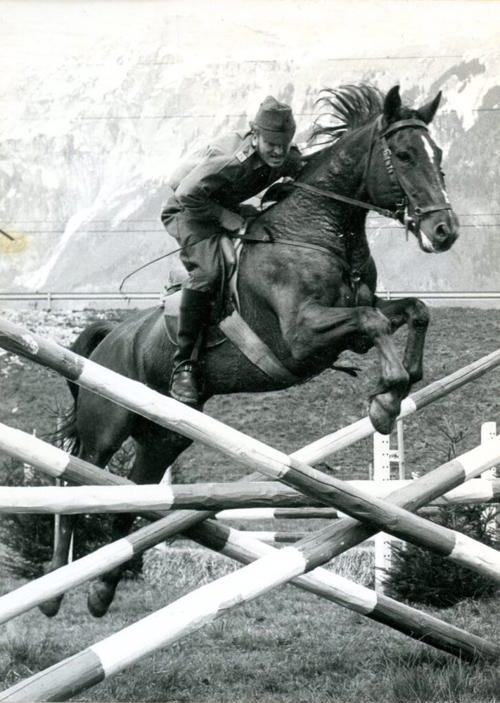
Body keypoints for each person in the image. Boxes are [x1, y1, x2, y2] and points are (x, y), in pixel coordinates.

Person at [161, 95, 305, 405]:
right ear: (255, 135)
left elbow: (303, 167)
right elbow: (186, 193)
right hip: (189, 212)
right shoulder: (232, 157)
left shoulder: (285, 156)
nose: (278, 152)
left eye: (284, 143)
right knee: (210, 272)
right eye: (271, 144)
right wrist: (228, 219)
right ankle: (184, 364)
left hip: (221, 206)